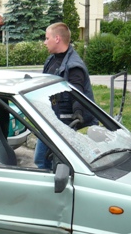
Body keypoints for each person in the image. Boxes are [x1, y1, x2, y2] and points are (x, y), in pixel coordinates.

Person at [34, 22, 97, 169]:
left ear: (57, 39)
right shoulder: (52, 59)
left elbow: (78, 93)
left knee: (45, 161)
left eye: (47, 38)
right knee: (45, 160)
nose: (44, 42)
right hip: (50, 117)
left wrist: (78, 112)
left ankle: (54, 188)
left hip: (63, 123)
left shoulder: (74, 65)